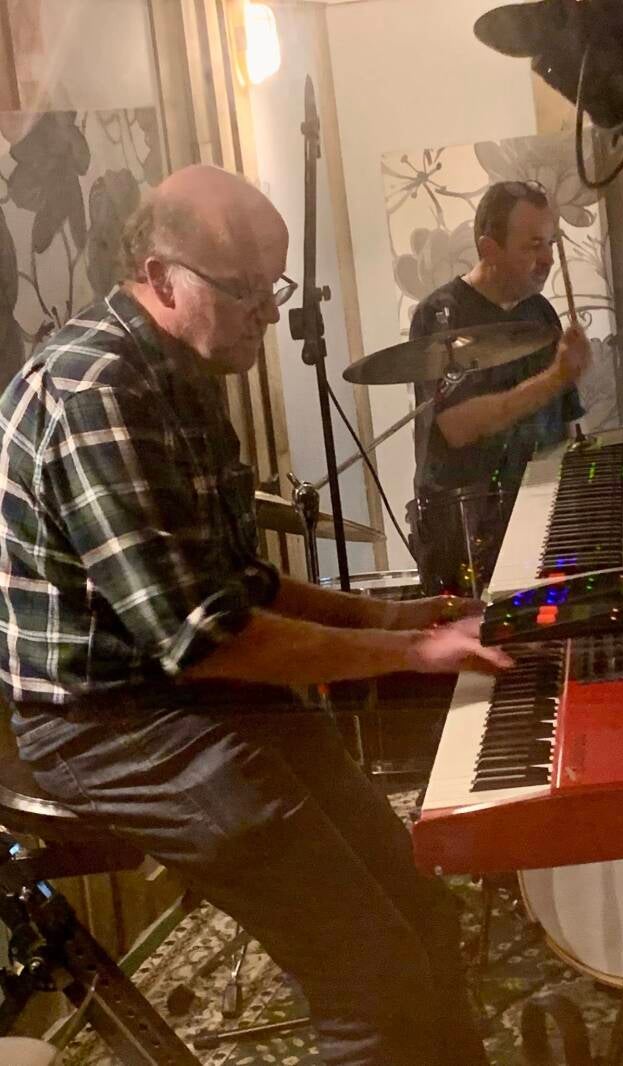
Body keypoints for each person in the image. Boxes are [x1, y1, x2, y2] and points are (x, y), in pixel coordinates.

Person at [0, 164, 511, 1066]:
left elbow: (242, 583)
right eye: (245, 290)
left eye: (274, 287)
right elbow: (206, 637)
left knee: (420, 906)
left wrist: (397, 619)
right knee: (371, 978)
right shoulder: (97, 392)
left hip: (181, 691)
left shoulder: (182, 372)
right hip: (107, 725)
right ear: (160, 277)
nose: (268, 314)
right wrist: (414, 653)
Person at [409, 181, 592, 595]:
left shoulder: (540, 312)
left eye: (551, 243)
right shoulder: (441, 315)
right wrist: (555, 378)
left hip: (539, 517)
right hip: (465, 530)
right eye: (533, 246)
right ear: (489, 249)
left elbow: (563, 425)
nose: (548, 259)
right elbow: (457, 426)